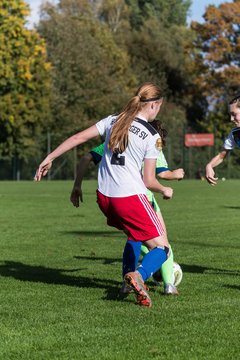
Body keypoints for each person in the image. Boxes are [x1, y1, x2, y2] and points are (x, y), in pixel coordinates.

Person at [35, 82, 173, 308]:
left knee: (135, 235)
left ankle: (127, 282)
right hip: (130, 198)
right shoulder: (150, 135)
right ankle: (138, 275)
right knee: (162, 248)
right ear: (155, 106)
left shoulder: (112, 120)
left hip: (105, 198)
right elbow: (149, 181)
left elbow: (78, 138)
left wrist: (50, 157)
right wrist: (165, 189)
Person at [70, 140, 184, 295]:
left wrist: (77, 185)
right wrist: (176, 175)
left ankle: (127, 283)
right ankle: (166, 284)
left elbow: (86, 158)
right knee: (163, 245)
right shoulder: (150, 140)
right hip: (140, 198)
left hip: (111, 199)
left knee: (135, 237)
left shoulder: (112, 140)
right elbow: (162, 173)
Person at [206, 95, 240, 185]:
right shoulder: (235, 134)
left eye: (234, 114)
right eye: (230, 115)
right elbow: (221, 155)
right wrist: (209, 166)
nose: (231, 119)